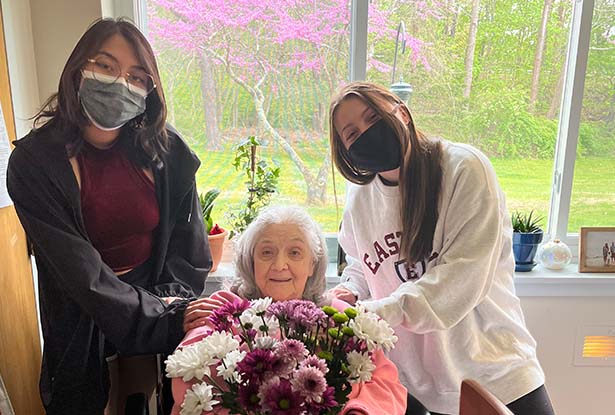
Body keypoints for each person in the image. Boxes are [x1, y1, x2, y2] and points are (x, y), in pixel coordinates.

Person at [6, 18, 211, 414]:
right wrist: (160, 317)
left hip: (157, 297)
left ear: (149, 91)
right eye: (104, 65)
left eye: (137, 77)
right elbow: (82, 274)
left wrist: (171, 306)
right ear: (77, 68)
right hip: (81, 309)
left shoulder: (168, 153)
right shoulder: (34, 164)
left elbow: (190, 250)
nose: (120, 83)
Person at [327, 82, 555, 415]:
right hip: (409, 386)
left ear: (402, 112)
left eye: (373, 117)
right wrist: (350, 291)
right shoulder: (359, 198)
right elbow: (361, 264)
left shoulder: (463, 169)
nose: (366, 133)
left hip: (495, 375)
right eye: (352, 133)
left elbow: (461, 278)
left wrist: (377, 314)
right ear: (346, 152)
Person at [176, 205, 408, 415]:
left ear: (312, 264)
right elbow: (183, 378)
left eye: (295, 252)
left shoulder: (339, 318)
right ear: (251, 261)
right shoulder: (223, 310)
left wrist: (358, 410)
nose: (279, 265)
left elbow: (386, 383)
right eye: (267, 252)